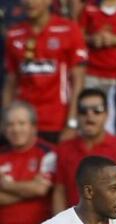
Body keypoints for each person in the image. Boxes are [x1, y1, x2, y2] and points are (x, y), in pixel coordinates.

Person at [3, 0, 88, 143]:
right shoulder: (14, 34)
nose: (30, 3)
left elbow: (78, 81)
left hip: (56, 123)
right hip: (23, 125)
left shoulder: (70, 30)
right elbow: (10, 83)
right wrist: (5, 119)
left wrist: (72, 123)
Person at [53, 87, 116, 215]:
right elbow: (59, 191)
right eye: (83, 111)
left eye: (97, 110)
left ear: (107, 115)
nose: (89, 115)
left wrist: (115, 223)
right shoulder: (64, 149)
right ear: (77, 115)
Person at [0, 101, 56, 224]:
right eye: (10, 124)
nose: (16, 129)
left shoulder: (48, 152)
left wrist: (7, 186)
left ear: (33, 127)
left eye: (21, 123)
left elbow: (41, 190)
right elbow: (36, 189)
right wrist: (29, 188)